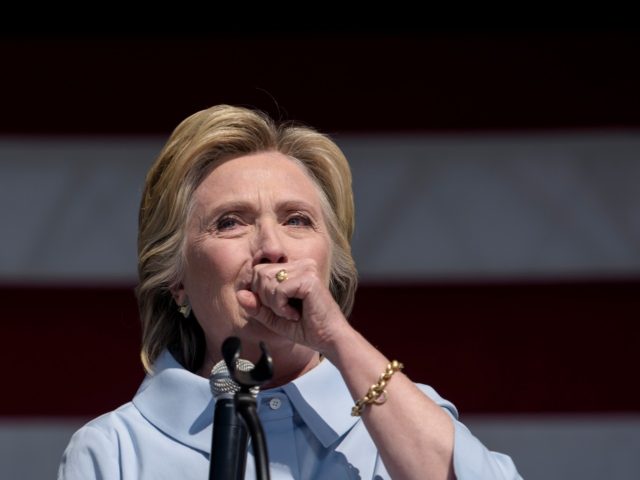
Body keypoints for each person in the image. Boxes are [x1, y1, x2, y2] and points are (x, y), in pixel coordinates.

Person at [57, 104, 522, 479]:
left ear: (330, 266)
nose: (272, 248)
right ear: (176, 280)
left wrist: (336, 337)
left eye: (296, 220)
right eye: (230, 222)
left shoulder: (403, 414)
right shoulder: (114, 449)